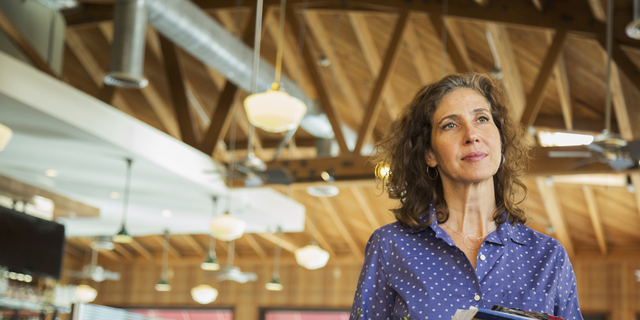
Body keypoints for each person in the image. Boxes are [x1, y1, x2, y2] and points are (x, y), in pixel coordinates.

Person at [349, 73, 582, 320]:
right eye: (451, 124)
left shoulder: (548, 256)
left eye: (482, 118)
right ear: (429, 153)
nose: (471, 135)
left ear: (500, 142)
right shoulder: (391, 246)